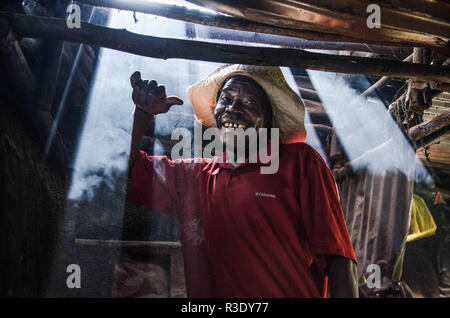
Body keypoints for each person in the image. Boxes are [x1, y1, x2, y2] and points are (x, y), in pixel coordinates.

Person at [127, 64, 358, 298]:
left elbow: (338, 257)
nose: (233, 109)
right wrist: (143, 115)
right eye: (225, 99)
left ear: (268, 119)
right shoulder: (195, 176)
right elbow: (127, 173)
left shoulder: (299, 161)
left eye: (249, 102)